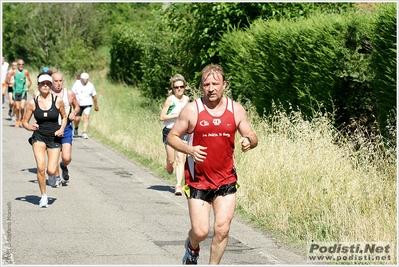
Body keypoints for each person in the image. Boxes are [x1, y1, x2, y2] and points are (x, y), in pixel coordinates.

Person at [166, 64, 258, 264]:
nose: (211, 88)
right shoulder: (192, 110)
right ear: (201, 86)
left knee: (222, 229)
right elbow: (172, 137)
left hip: (226, 179)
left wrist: (248, 141)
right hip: (198, 180)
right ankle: (192, 245)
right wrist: (189, 150)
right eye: (206, 84)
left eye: (215, 83)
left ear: (224, 84)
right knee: (200, 231)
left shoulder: (236, 110)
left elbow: (252, 135)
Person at [21, 73, 67, 207]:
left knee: (51, 170)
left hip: (54, 137)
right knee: (41, 168)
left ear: (51, 85)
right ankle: (44, 196)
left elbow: (64, 116)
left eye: (48, 83)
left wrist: (62, 128)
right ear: (38, 85)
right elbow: (24, 120)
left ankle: (53, 176)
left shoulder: (57, 100)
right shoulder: (32, 102)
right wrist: (30, 127)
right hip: (39, 136)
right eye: (43, 83)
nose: (45, 86)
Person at [160, 74, 190, 195]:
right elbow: (162, 117)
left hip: (183, 132)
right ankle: (168, 164)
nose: (179, 89)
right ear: (173, 88)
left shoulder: (187, 100)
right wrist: (177, 115)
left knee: (180, 159)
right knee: (172, 159)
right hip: (169, 131)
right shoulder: (170, 100)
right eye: (176, 87)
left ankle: (178, 185)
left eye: (181, 87)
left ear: (184, 87)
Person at [51, 71, 80, 183]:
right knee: (54, 155)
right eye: (56, 81)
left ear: (63, 81)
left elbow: (77, 107)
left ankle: (63, 166)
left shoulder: (69, 94)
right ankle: (56, 178)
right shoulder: (48, 94)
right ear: (52, 82)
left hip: (66, 127)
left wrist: (74, 113)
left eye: (60, 81)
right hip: (52, 128)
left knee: (66, 158)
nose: (58, 83)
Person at [5, 59, 32, 128]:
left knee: (22, 107)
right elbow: (7, 80)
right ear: (17, 65)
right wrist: (10, 84)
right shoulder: (14, 72)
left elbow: (30, 81)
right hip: (16, 91)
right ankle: (17, 120)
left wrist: (27, 87)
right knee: (17, 108)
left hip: (23, 91)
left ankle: (22, 119)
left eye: (22, 64)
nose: (21, 66)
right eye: (19, 64)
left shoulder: (25, 72)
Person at [71, 72, 99, 139]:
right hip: (78, 104)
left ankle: (84, 132)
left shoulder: (91, 85)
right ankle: (76, 128)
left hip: (87, 103)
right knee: (77, 119)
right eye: (83, 80)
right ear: (81, 79)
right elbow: (72, 94)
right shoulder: (76, 84)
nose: (85, 81)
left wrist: (96, 105)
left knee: (86, 117)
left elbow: (94, 96)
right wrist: (75, 101)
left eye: (86, 80)